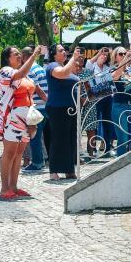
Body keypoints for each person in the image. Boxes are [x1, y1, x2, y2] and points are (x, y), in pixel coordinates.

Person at [0, 45, 44, 200]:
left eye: (19, 54)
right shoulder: (6, 71)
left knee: (19, 153)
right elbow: (20, 74)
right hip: (12, 116)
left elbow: (32, 88)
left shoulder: (24, 74)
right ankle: (4, 188)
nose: (18, 56)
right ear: (7, 58)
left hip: (25, 117)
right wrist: (35, 55)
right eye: (15, 54)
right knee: (9, 152)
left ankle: (13, 187)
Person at [44, 45, 81, 180]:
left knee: (70, 140)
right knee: (58, 139)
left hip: (71, 108)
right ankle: (54, 170)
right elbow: (63, 73)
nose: (64, 52)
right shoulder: (52, 66)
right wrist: (74, 58)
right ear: (53, 54)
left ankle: (69, 169)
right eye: (61, 51)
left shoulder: (68, 68)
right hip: (58, 108)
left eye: (64, 50)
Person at [110, 47, 131, 157]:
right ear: (115, 57)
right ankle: (121, 165)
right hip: (120, 107)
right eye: (121, 54)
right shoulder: (112, 69)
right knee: (123, 140)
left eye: (125, 53)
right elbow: (114, 77)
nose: (124, 55)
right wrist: (125, 61)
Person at [24, 46, 48, 172]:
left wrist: (46, 100)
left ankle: (38, 162)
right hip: (44, 107)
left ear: (25, 56)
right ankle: (42, 160)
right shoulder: (40, 68)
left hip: (37, 107)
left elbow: (37, 88)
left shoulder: (30, 70)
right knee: (40, 136)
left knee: (34, 137)